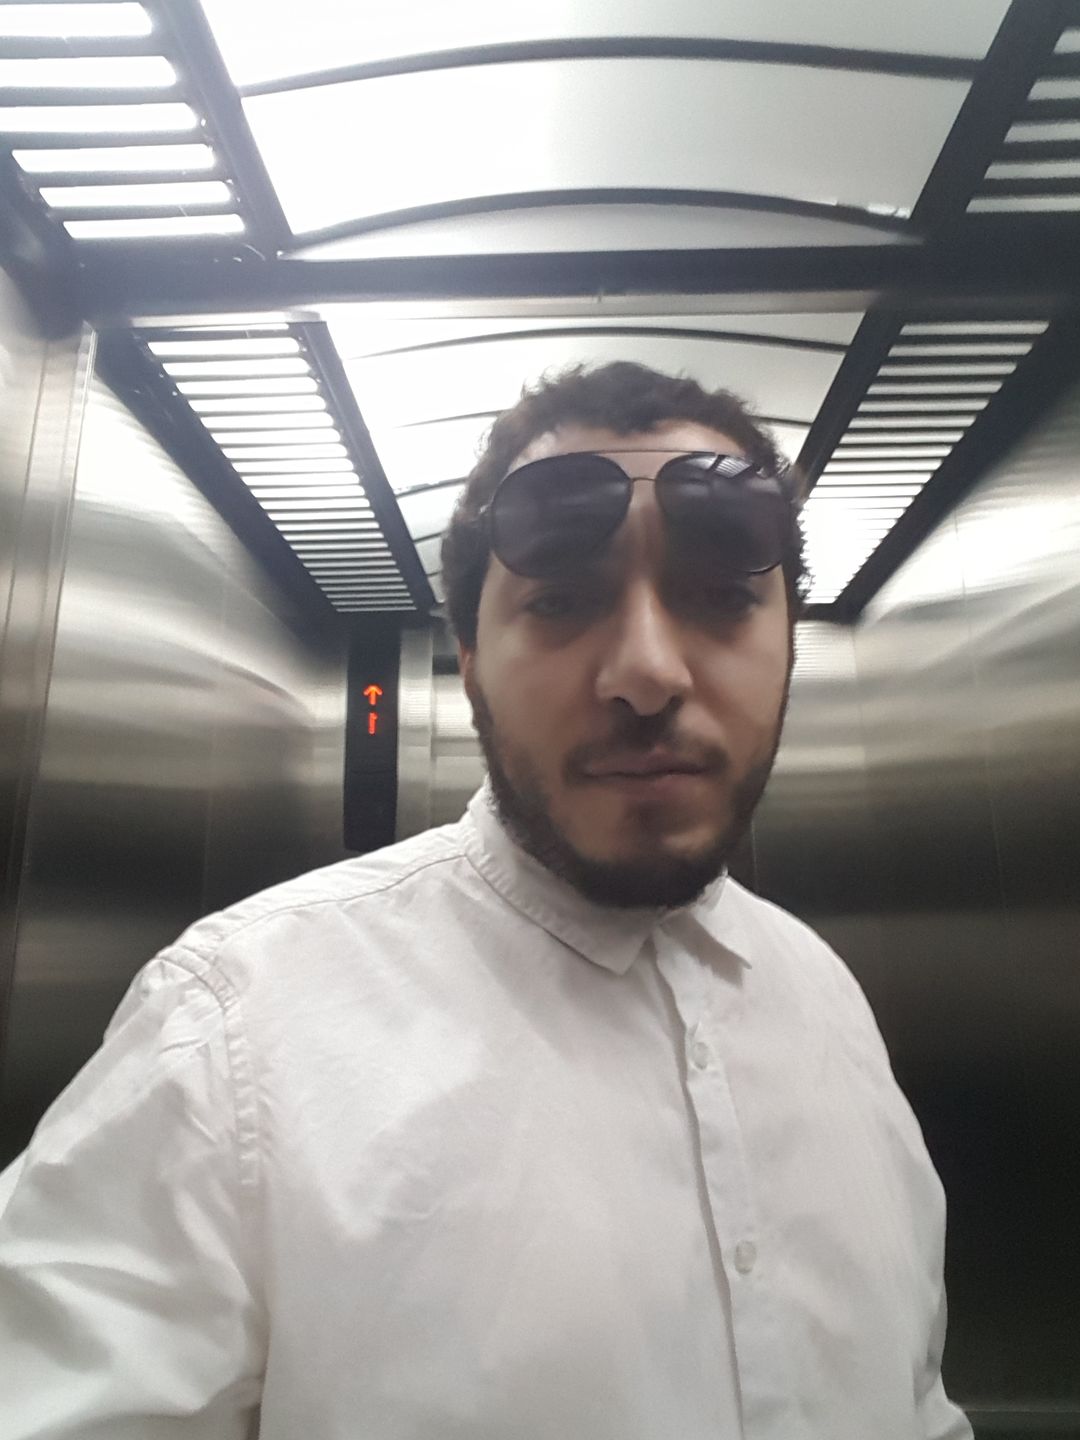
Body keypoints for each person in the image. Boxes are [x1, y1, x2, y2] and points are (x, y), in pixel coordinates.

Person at [0, 361, 971, 1439]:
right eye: (561, 600)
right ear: (470, 660)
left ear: (788, 636)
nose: (648, 671)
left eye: (721, 597)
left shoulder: (827, 1000)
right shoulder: (231, 1042)